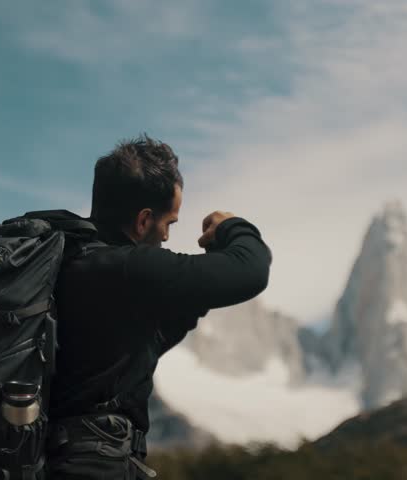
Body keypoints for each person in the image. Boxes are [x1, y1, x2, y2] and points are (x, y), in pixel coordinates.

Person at [46, 134, 272, 479]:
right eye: (169, 222)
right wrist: (231, 226)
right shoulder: (129, 269)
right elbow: (250, 270)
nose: (166, 237)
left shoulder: (66, 266)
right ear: (143, 220)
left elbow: (154, 334)